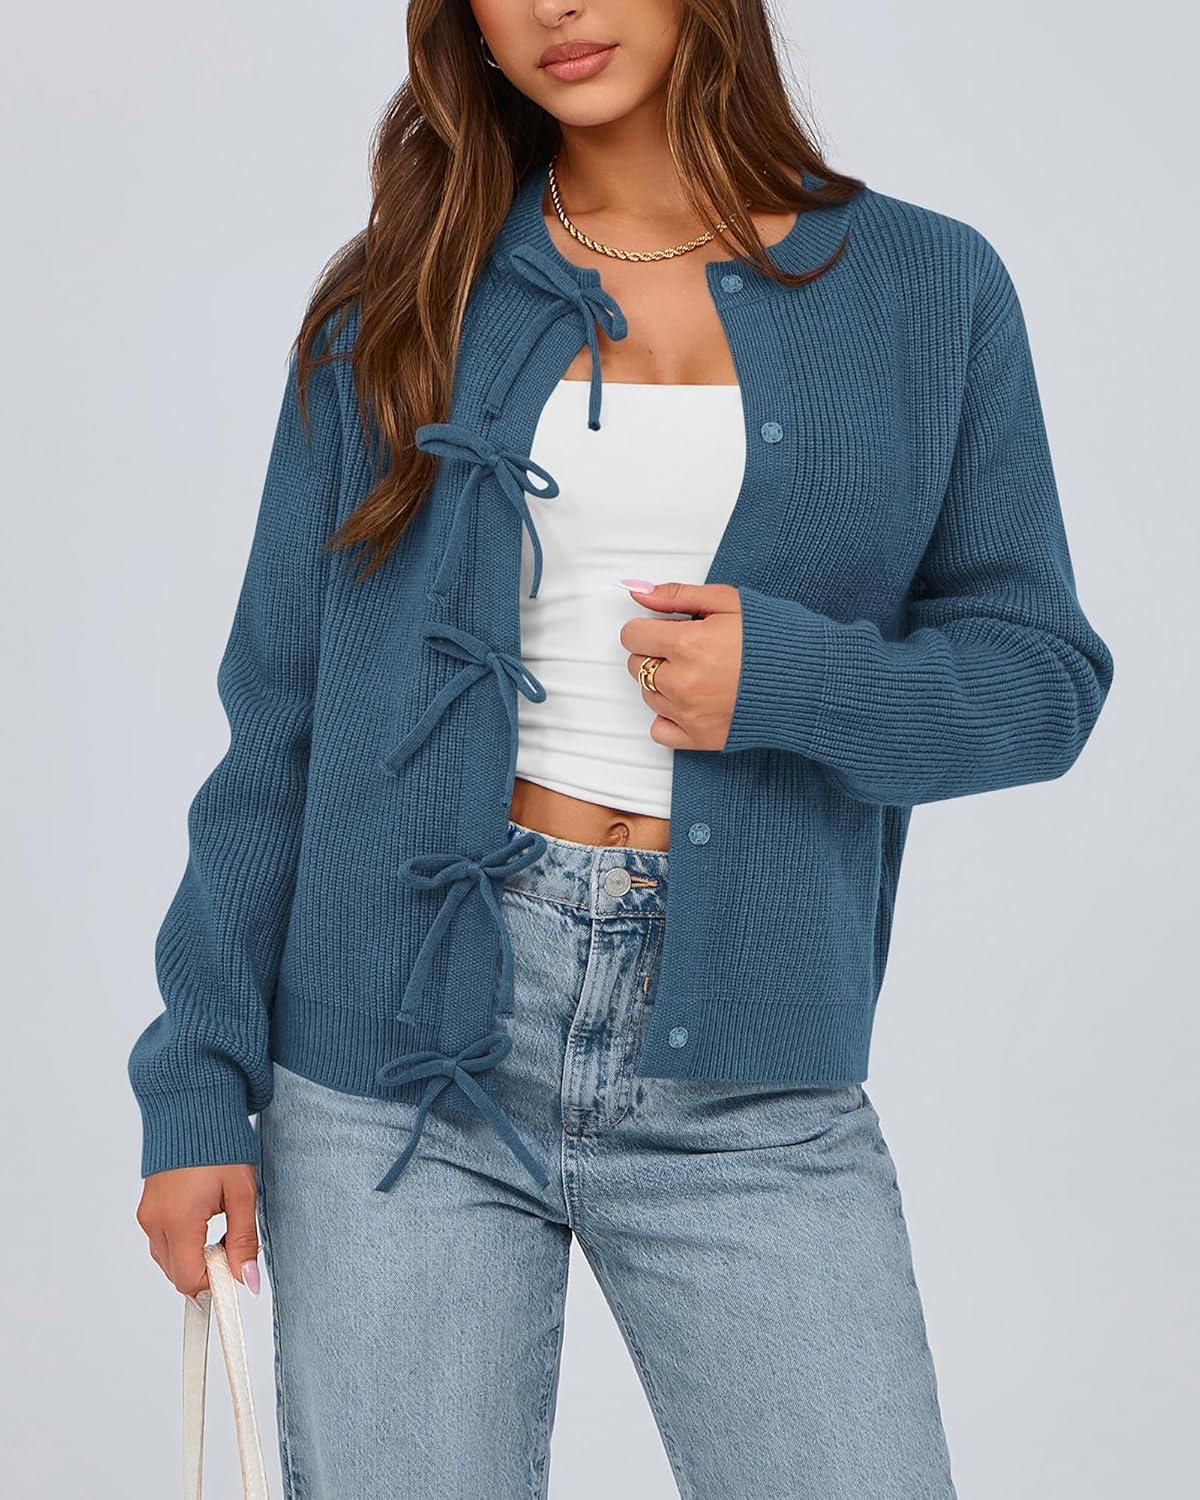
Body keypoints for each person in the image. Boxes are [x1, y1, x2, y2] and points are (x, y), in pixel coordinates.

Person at [130, 3, 1115, 1495]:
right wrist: (195, 1081)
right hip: (393, 1060)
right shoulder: (402, 295)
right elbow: (276, 725)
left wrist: (788, 681)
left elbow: (1041, 682)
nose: (554, 8)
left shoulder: (928, 286)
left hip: (749, 1070)